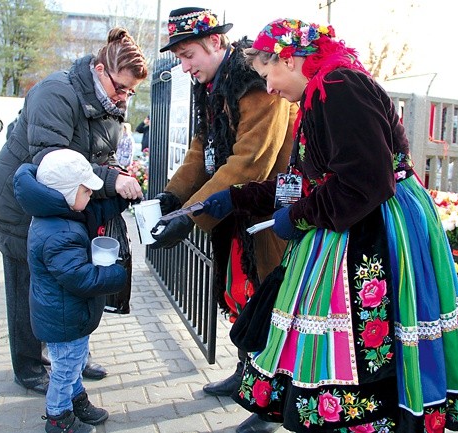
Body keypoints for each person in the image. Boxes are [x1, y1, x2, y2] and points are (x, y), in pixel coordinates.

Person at [197, 19, 458, 432]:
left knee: (370, 336)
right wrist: (238, 197)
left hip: (377, 227)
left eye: (268, 75)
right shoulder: (320, 92)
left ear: (290, 59)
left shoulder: (339, 87)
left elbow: (366, 181)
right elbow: (307, 180)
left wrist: (297, 217)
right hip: (353, 217)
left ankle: (368, 418)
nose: (271, 89)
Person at [151, 7, 297, 432]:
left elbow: (251, 160)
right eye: (178, 57)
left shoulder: (254, 81)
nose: (184, 65)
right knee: (241, 296)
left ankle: (269, 406)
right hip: (234, 210)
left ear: (216, 42)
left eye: (188, 53)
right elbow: (202, 148)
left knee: (271, 305)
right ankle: (246, 373)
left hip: (270, 213)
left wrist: (189, 214)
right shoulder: (211, 85)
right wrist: (173, 195)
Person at [0, 27, 147, 394]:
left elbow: (96, 155)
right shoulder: (55, 92)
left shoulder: (108, 103)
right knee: (29, 288)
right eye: (120, 88)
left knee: (72, 283)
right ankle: (28, 366)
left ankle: (71, 353)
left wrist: (116, 175)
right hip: (23, 206)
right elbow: (50, 159)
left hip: (71, 206)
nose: (124, 98)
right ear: (100, 69)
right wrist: (109, 179)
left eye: (130, 92)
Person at [13, 148, 128, 433]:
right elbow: (81, 278)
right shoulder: (60, 234)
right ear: (66, 192)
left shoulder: (57, 214)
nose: (90, 195)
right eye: (86, 191)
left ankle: (77, 402)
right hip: (64, 318)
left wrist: (120, 201)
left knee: (72, 363)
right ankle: (58, 418)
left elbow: (91, 211)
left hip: (65, 315)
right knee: (64, 370)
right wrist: (116, 273)